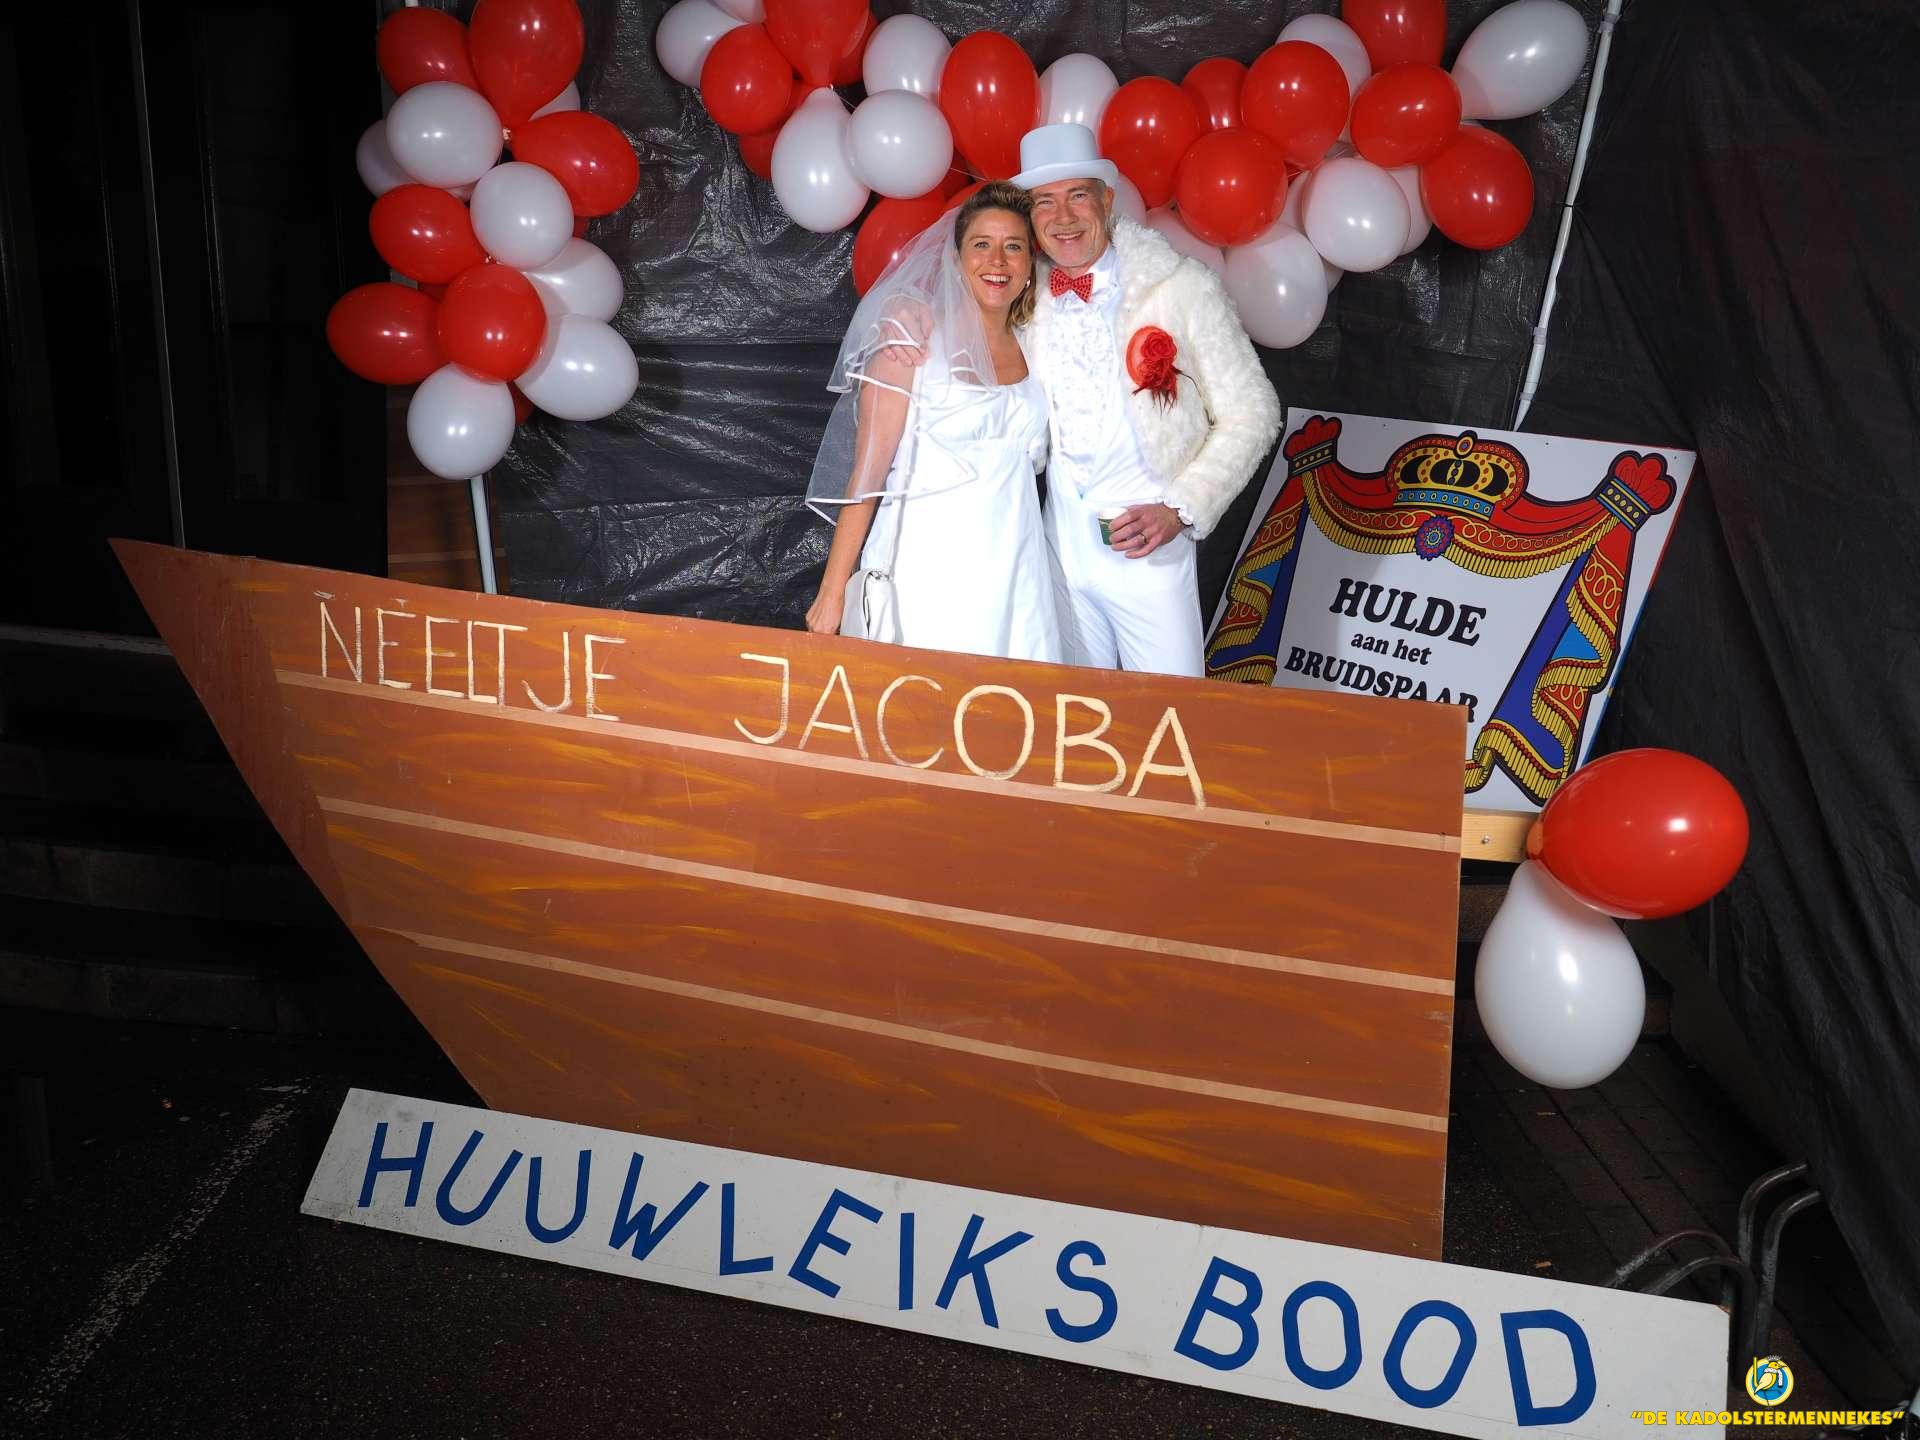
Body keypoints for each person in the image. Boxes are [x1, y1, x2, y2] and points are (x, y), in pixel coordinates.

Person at [1013, 123, 1282, 677]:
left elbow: (1254, 411)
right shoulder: (1024, 298)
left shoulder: (1181, 288)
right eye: (1045, 202)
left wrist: (1181, 508)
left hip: (1148, 552)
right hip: (1058, 548)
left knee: (1172, 716)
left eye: (1077, 196)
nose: (1063, 218)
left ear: (1107, 201)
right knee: (1072, 714)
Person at [803, 183, 1061, 663]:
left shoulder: (1038, 346)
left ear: (1030, 264)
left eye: (1013, 246)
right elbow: (866, 476)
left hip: (1018, 572)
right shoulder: (910, 344)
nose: (997, 261)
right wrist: (833, 591)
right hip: (925, 571)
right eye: (981, 244)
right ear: (956, 259)